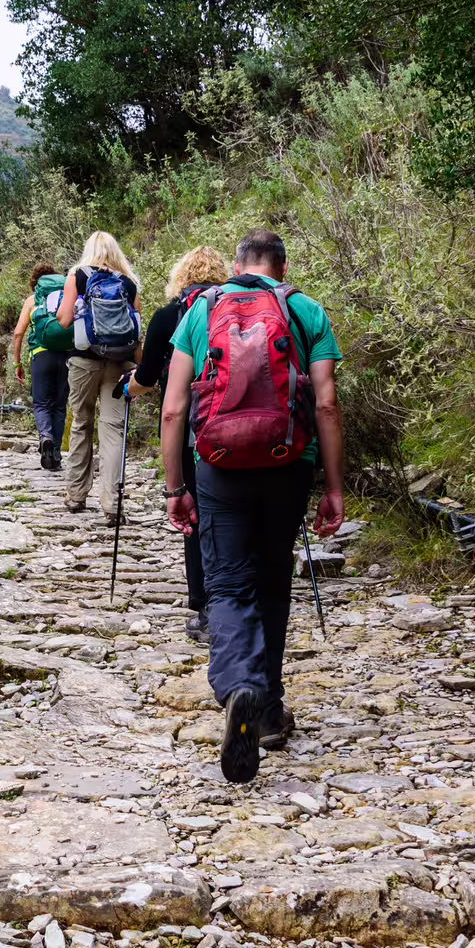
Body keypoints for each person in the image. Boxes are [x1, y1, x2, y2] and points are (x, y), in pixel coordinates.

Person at [161, 229, 347, 784]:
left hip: (219, 466)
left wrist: (176, 487)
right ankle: (266, 709)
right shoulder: (306, 309)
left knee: (227, 584)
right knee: (273, 580)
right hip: (288, 463)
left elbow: (173, 411)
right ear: (282, 267)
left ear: (237, 264)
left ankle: (239, 684)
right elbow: (328, 402)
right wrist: (333, 487)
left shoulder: (203, 309)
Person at [126, 246, 227, 644]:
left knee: (194, 512)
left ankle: (203, 605)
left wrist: (128, 386)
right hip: (237, 423)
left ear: (180, 275)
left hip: (187, 426)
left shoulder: (170, 314)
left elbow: (148, 375)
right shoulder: (232, 308)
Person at [56, 231, 142, 522]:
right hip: (120, 363)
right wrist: (141, 370)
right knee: (113, 430)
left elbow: (65, 319)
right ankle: (112, 504)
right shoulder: (128, 282)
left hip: (84, 361)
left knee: (82, 422)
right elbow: (136, 330)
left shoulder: (78, 275)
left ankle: (76, 495)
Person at [11, 260, 71, 471]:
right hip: (66, 357)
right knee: (60, 406)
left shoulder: (32, 300)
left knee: (42, 404)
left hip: (40, 356)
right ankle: (55, 453)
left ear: (35, 283)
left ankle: (45, 437)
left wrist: (17, 362)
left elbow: (18, 333)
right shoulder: (65, 296)